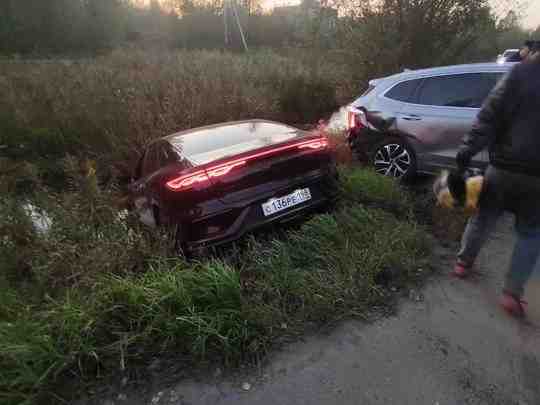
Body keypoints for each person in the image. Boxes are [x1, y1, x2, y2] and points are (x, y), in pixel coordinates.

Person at [453, 42, 540, 318]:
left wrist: (466, 151)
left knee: (483, 217)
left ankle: (463, 264)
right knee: (530, 234)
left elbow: (488, 115)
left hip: (502, 168)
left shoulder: (519, 74)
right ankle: (511, 294)